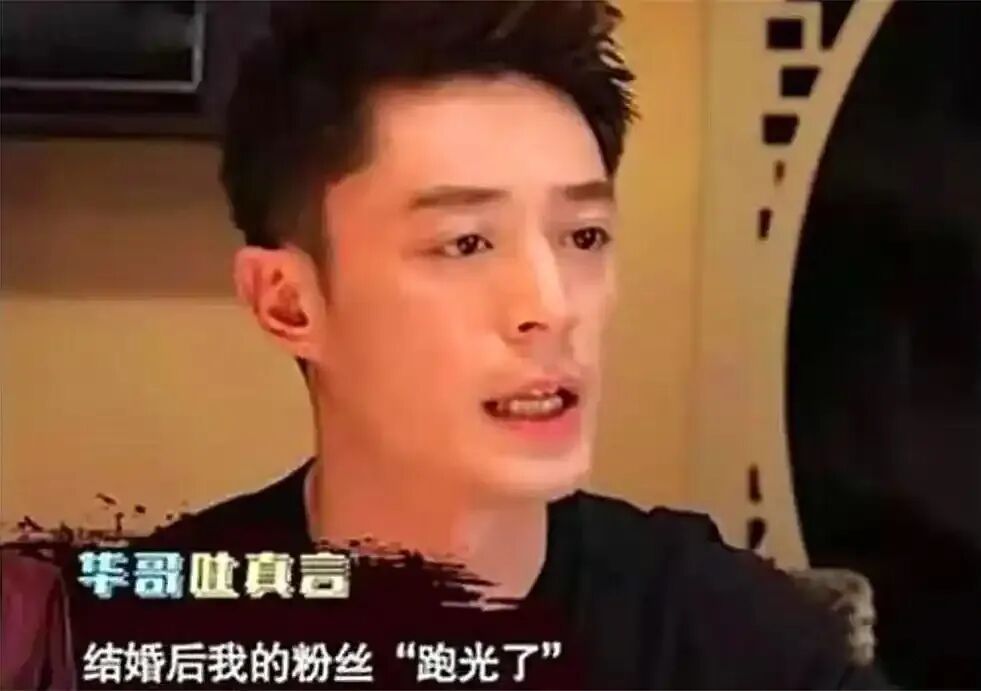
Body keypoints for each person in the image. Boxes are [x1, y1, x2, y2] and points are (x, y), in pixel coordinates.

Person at [147, 2, 890, 687]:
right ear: (288, 303)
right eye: (466, 243)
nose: (551, 307)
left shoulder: (728, 636)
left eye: (583, 237)